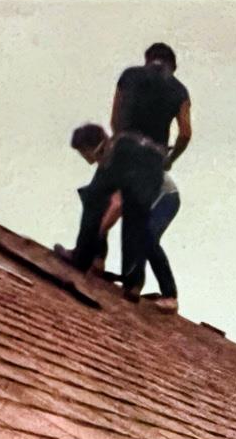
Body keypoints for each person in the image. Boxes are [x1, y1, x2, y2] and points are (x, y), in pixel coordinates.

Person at [70, 43, 191, 303]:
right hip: (154, 156)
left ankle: (82, 258)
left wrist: (121, 140)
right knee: (137, 215)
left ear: (148, 59)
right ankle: (133, 283)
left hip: (128, 145)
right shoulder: (180, 90)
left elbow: (115, 116)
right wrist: (170, 159)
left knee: (96, 198)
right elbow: (185, 133)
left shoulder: (130, 75)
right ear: (172, 66)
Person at [61, 123, 181, 312]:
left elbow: (117, 205)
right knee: (94, 200)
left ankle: (170, 295)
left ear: (91, 149)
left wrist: (95, 235)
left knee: (146, 237)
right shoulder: (105, 164)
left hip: (164, 197)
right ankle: (98, 260)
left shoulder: (121, 155)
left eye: (83, 153)